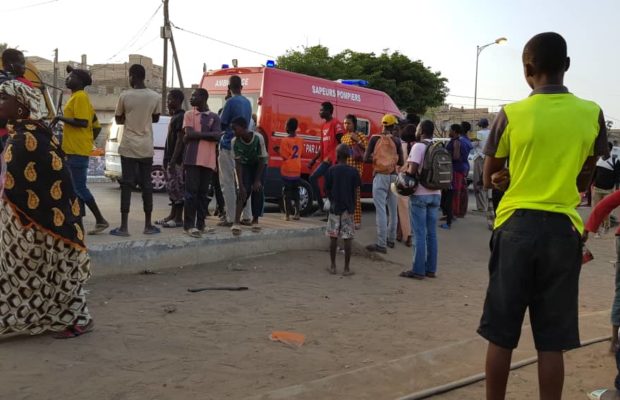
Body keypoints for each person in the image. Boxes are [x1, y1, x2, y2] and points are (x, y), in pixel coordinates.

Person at [478, 32, 608, 400]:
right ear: (567, 66)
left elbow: (490, 178)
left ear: (527, 70)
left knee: (501, 334)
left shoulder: (512, 114)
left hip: (515, 226)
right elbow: (586, 176)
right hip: (562, 230)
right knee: (551, 341)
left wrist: (509, 176)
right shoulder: (592, 113)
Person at [0, 80, 93, 338]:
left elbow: (51, 180)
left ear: (21, 107)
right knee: (21, 272)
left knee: (54, 272)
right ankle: (17, 319)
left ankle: (79, 317)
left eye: (3, 98)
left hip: (46, 220)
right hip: (24, 218)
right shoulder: (24, 134)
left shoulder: (30, 138)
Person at [52, 66, 108, 235]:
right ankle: (78, 223)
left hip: (76, 151)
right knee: (76, 189)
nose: (67, 78)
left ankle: (100, 220)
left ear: (80, 81)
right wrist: (86, 140)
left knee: (79, 188)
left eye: (71, 76)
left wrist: (60, 117)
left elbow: (83, 122)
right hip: (74, 149)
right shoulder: (77, 98)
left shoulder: (81, 97)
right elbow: (96, 126)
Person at [111, 64, 161, 237]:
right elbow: (155, 118)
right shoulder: (155, 96)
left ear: (132, 76)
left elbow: (118, 119)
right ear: (144, 76)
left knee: (127, 184)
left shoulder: (125, 95)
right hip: (146, 146)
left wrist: (129, 117)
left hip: (129, 146)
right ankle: (148, 225)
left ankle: (124, 227)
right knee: (147, 185)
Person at [399, 120, 441, 279]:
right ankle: (431, 269)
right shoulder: (438, 146)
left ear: (422, 130)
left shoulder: (418, 146)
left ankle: (417, 270)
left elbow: (412, 170)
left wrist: (406, 171)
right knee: (432, 233)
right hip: (436, 194)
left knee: (419, 233)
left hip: (420, 195)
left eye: (417, 128)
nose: (416, 130)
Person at [180, 88, 221, 238]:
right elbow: (189, 134)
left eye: (194, 96)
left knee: (203, 195)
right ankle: (189, 225)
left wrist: (196, 136)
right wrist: (209, 135)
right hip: (192, 159)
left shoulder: (214, 117)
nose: (191, 98)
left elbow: (217, 136)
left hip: (208, 161)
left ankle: (201, 224)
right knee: (191, 193)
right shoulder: (189, 114)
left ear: (203, 98)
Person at [363, 114, 404, 253]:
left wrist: (376, 160)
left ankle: (381, 243)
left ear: (382, 124)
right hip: (393, 177)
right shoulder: (397, 141)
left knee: (380, 210)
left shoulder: (374, 139)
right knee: (393, 210)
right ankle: (391, 240)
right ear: (393, 126)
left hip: (380, 176)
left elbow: (365, 158)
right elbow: (401, 162)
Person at [218, 75, 252, 228]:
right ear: (241, 87)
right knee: (243, 181)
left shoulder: (230, 102)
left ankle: (231, 217)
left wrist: (226, 102)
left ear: (229, 87)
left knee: (228, 182)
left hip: (228, 144)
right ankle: (247, 216)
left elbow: (222, 123)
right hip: (242, 144)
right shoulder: (247, 102)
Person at [325, 144, 361, 276]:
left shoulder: (331, 170)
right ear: (348, 156)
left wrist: (332, 200)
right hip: (348, 209)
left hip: (335, 208)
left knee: (333, 238)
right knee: (347, 239)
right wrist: (353, 207)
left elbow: (327, 189)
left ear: (337, 155)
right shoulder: (353, 171)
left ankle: (333, 266)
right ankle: (346, 268)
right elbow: (356, 191)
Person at [231, 116, 268, 236]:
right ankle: (236, 221)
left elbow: (262, 160)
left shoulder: (258, 138)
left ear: (243, 128)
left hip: (259, 165)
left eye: (235, 129)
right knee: (243, 191)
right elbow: (238, 164)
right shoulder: (234, 142)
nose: (233, 132)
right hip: (245, 165)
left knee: (257, 189)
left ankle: (255, 220)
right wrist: (240, 185)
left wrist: (257, 180)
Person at [156, 89, 185, 228]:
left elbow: (180, 140)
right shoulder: (174, 116)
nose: (168, 102)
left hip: (177, 160)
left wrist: (173, 160)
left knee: (178, 188)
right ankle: (172, 215)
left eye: (170, 99)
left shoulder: (181, 117)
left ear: (179, 100)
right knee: (171, 188)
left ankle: (179, 218)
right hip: (170, 158)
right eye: (167, 100)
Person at [309, 101, 344, 215]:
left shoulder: (336, 123)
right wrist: (314, 159)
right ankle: (322, 207)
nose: (319, 112)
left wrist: (335, 157)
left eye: (321, 110)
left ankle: (329, 211)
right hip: (325, 160)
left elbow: (341, 142)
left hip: (333, 161)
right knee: (315, 179)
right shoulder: (323, 125)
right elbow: (322, 146)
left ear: (329, 111)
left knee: (327, 186)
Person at [0, 49, 34, 152]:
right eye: (22, 63)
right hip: (12, 135)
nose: (25, 67)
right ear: (11, 64)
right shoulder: (24, 84)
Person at [340, 114, 368, 229]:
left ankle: (356, 221)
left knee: (355, 195)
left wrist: (358, 141)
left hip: (356, 170)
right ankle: (346, 219)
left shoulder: (360, 135)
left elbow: (367, 150)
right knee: (345, 195)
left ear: (354, 124)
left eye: (349, 123)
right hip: (345, 169)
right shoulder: (343, 137)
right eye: (345, 123)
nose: (346, 125)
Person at [274, 117, 303, 221]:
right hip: (297, 170)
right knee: (296, 192)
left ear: (288, 127)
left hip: (287, 170)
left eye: (285, 124)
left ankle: (287, 215)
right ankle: (297, 213)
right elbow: (298, 153)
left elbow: (285, 156)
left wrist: (278, 150)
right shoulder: (300, 140)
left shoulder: (284, 140)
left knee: (287, 193)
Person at [591, 143, 619, 235]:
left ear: (610, 150)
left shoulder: (615, 161)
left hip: (608, 190)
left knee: (605, 210)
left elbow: (618, 176)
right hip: (597, 189)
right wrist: (591, 184)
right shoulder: (599, 160)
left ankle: (606, 226)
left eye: (606, 148)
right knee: (596, 209)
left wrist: (617, 188)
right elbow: (594, 173)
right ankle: (597, 230)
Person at [396, 123, 416, 245]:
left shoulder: (400, 145)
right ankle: (403, 233)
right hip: (414, 180)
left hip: (402, 179)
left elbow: (397, 164)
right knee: (412, 210)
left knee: (402, 210)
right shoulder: (418, 146)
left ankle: (406, 235)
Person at [472, 118, 491, 212]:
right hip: (490, 159)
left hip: (480, 158)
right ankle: (489, 206)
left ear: (480, 125)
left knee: (478, 182)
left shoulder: (479, 134)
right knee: (488, 182)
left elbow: (473, 145)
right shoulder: (492, 133)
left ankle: (481, 207)